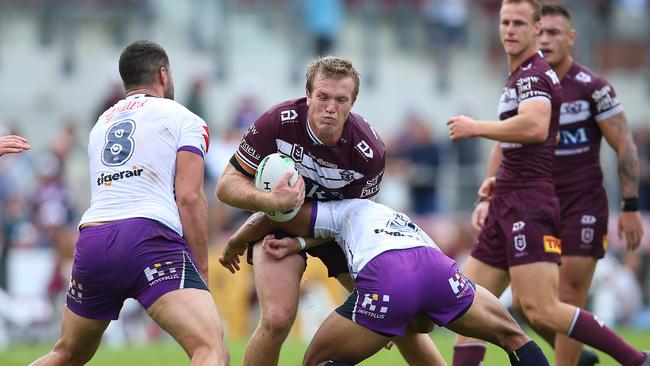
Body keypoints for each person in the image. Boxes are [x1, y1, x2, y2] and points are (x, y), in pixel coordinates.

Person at [446, 1, 649, 366]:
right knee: (467, 304)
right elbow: (510, 142)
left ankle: (632, 359)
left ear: (538, 31)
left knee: (548, 305)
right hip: (513, 198)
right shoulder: (518, 78)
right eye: (504, 22)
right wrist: (489, 186)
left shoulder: (541, 78)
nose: (509, 29)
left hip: (554, 202)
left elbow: (537, 127)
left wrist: (475, 127)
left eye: (519, 23)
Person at [215, 55, 444, 366]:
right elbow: (226, 186)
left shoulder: (369, 152)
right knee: (278, 319)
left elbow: (356, 221)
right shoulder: (276, 122)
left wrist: (298, 242)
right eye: (322, 96)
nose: (330, 107)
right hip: (277, 222)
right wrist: (271, 203)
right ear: (308, 95)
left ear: (353, 102)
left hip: (339, 232)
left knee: (398, 317)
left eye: (340, 99)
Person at [30, 40, 229, 366]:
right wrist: (201, 269)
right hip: (147, 239)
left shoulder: (101, 123)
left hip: (94, 240)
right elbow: (190, 197)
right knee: (211, 348)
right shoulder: (185, 117)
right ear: (163, 75)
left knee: (65, 353)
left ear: (126, 81)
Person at [220, 199, 551, 366]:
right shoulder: (386, 212)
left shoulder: (340, 209)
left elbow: (280, 215)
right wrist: (302, 245)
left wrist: (236, 242)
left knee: (318, 361)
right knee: (514, 336)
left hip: (391, 278)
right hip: (437, 268)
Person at [507, 4, 645, 366]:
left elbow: (625, 145)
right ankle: (577, 355)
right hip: (538, 206)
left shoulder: (593, 88)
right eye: (543, 33)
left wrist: (630, 207)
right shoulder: (526, 86)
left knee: (567, 293)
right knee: (525, 304)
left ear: (571, 37)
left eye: (556, 33)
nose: (547, 39)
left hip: (582, 206)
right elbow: (510, 142)